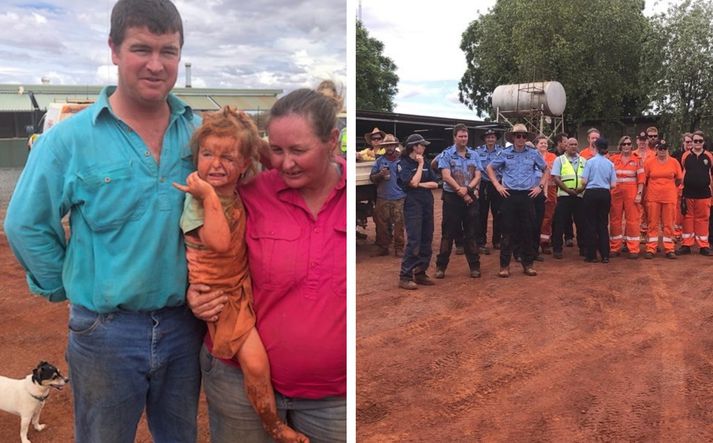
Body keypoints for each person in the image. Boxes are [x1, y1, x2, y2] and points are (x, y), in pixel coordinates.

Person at [4, 1, 205, 441]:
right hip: (105, 333)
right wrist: (67, 286)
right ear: (114, 49)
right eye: (141, 49)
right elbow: (25, 223)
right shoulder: (69, 140)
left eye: (168, 51)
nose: (156, 64)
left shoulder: (200, 135)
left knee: (180, 436)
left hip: (184, 325)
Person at [188, 88, 346, 442]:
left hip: (334, 399)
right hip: (235, 381)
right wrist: (194, 291)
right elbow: (203, 248)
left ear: (332, 140)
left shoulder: (352, 197)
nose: (285, 163)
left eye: (298, 150)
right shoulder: (249, 191)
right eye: (276, 150)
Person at [173, 107, 307, 443]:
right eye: (207, 154)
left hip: (241, 284)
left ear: (244, 163)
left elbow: (268, 160)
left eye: (227, 157)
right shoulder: (200, 199)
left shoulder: (236, 188)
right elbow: (218, 242)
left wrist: (244, 126)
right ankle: (272, 424)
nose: (215, 164)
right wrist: (207, 196)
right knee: (255, 363)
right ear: (196, 158)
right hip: (222, 297)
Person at [486, 123, 548, 277]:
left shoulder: (533, 154)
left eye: (523, 136)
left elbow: (546, 169)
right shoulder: (505, 153)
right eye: (518, 136)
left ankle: (528, 265)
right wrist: (497, 185)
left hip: (527, 196)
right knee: (507, 231)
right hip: (509, 196)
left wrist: (540, 186)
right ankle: (504, 266)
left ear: (526, 138)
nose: (521, 139)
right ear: (513, 137)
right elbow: (489, 168)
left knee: (527, 230)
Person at [434, 124, 482, 279]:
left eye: (465, 136)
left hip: (469, 196)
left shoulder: (474, 155)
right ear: (454, 137)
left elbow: (478, 175)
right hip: (452, 198)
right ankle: (441, 267)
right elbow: (446, 176)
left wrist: (467, 189)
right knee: (448, 234)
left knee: (471, 233)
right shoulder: (447, 154)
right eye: (460, 136)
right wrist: (461, 191)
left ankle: (475, 266)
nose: (463, 139)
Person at [398, 133, 439, 289]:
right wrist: (420, 166)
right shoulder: (404, 163)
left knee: (426, 238)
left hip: (427, 202)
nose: (424, 147)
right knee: (414, 239)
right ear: (414, 147)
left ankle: (420, 272)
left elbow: (435, 184)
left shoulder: (427, 161)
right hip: (413, 205)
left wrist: (420, 184)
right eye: (422, 145)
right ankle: (405, 276)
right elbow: (412, 182)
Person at [578, 137, 617, 263]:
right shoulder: (610, 164)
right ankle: (605, 255)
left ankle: (591, 255)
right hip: (604, 193)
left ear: (595, 147)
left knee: (590, 224)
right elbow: (613, 184)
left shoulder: (590, 162)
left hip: (591, 193)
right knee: (603, 224)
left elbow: (584, 181)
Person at [643, 140, 682, 259]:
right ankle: (651, 248)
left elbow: (679, 179)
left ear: (667, 149)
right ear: (656, 149)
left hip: (669, 197)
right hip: (653, 197)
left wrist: (668, 188)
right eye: (660, 148)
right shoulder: (649, 162)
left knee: (669, 224)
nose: (662, 150)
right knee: (652, 223)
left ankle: (669, 248)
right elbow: (645, 179)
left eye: (664, 148)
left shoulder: (674, 162)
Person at [677, 130, 713, 256]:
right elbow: (684, 172)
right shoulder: (686, 156)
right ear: (691, 142)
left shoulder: (709, 156)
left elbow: (710, 174)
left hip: (704, 193)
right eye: (695, 141)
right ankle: (686, 244)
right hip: (688, 193)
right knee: (687, 219)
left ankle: (703, 246)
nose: (697, 143)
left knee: (703, 220)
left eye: (700, 141)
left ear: (703, 142)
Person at [370, 134, 406, 257]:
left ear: (395, 146)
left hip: (399, 197)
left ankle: (399, 247)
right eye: (387, 145)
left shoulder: (402, 160)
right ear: (384, 147)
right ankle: (384, 247)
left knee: (399, 224)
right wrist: (380, 175)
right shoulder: (379, 161)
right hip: (383, 197)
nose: (389, 147)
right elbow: (372, 178)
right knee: (382, 224)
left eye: (391, 145)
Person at [551, 137, 587, 259]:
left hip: (579, 195)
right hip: (565, 196)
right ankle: (557, 249)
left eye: (575, 144)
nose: (573, 146)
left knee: (581, 223)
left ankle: (583, 248)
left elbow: (587, 178)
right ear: (566, 146)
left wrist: (581, 190)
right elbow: (556, 177)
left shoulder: (584, 160)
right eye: (570, 144)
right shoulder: (559, 160)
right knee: (559, 223)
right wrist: (567, 190)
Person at [609, 136, 644, 258]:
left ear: (631, 145)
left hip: (631, 193)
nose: (626, 146)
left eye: (628, 144)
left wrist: (639, 194)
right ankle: (615, 247)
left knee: (633, 220)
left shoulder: (637, 160)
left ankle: (633, 248)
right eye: (624, 144)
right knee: (615, 220)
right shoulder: (613, 160)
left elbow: (641, 180)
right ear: (620, 145)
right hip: (616, 193)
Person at [476, 128, 504, 253]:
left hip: (498, 184)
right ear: (484, 139)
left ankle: (497, 240)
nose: (490, 139)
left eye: (492, 137)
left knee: (498, 213)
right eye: (488, 137)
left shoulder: (502, 151)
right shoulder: (478, 152)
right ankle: (481, 241)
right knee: (482, 214)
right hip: (483, 184)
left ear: (496, 138)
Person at [534, 135, 557, 255]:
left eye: (545, 143)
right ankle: (534, 241)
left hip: (551, 190)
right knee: (534, 216)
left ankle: (544, 242)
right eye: (541, 143)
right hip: (535, 190)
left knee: (548, 216)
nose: (544, 145)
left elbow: (553, 171)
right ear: (536, 145)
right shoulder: (532, 156)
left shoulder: (553, 157)